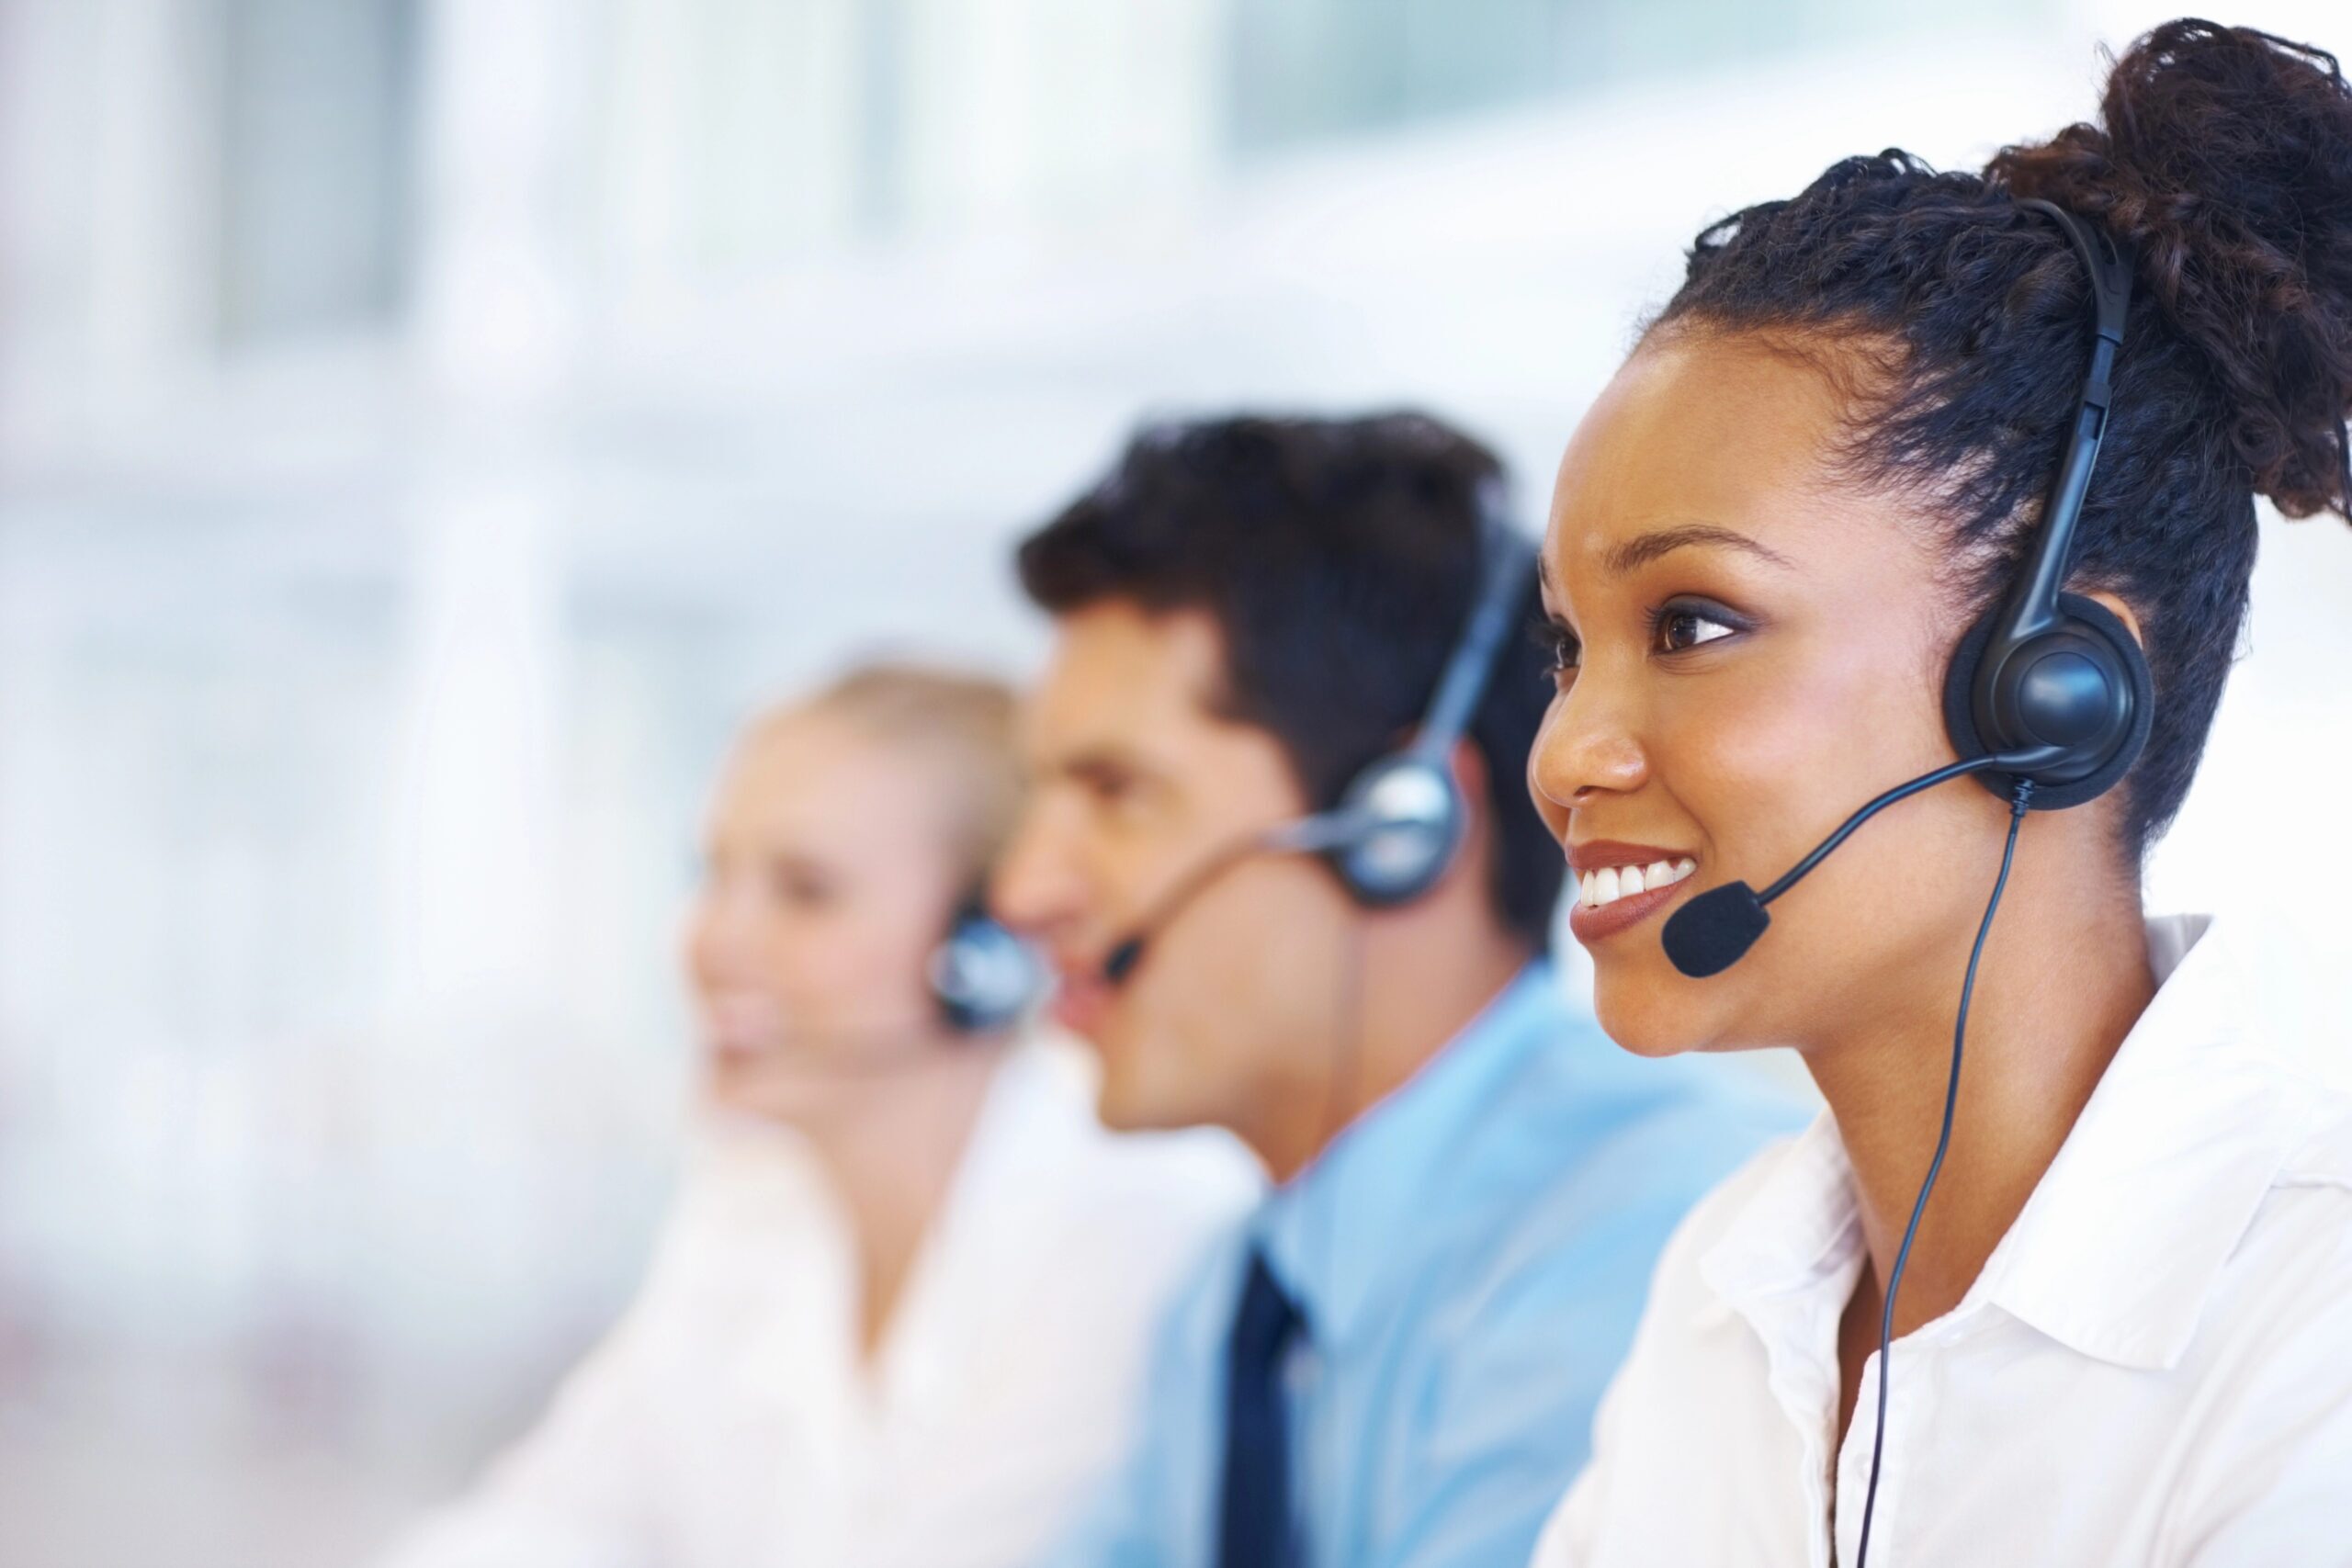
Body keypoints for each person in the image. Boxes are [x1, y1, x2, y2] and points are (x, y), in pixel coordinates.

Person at [1526, 20, 2352, 1566]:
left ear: (2055, 686)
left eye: (1692, 625)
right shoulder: (1730, 1286)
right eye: (1567, 652)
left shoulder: (2316, 1329)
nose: (1569, 749)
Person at [993, 412, 1803, 1568]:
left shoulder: (1657, 1239)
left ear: (1403, 826)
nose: (1023, 891)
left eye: (1115, 792)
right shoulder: (1232, 1307)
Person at [386, 663, 1257, 1568]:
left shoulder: (1125, 1216)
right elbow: (550, 1523)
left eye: (806, 890)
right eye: (713, 875)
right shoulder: (754, 1200)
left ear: (985, 949)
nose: (716, 939)